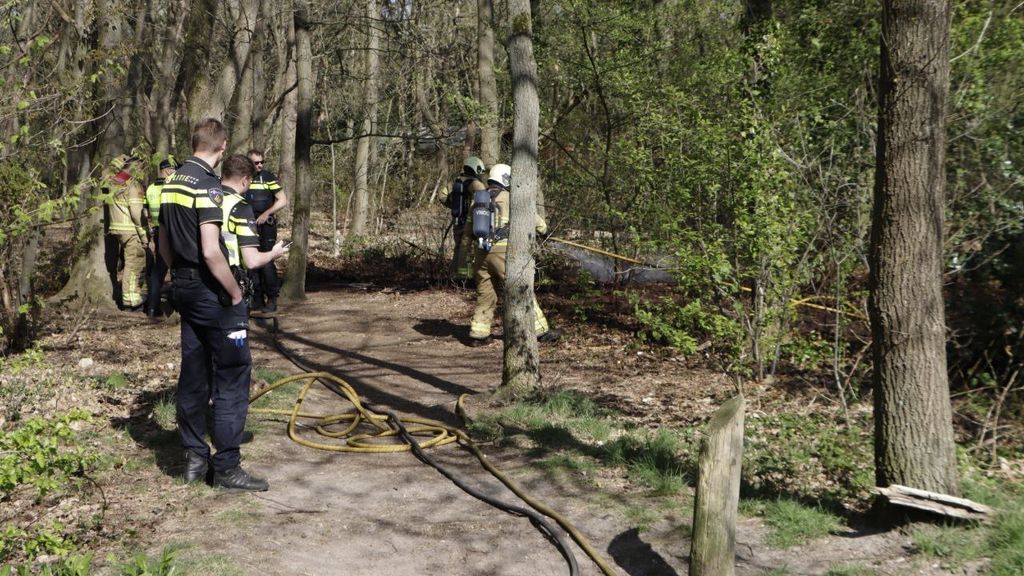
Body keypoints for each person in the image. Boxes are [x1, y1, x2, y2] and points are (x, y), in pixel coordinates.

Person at [158, 119, 284, 491]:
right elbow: (212, 252)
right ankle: (227, 467)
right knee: (232, 374)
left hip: (182, 288)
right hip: (213, 293)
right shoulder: (208, 187)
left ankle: (195, 459)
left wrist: (171, 282)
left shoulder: (170, 184)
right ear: (222, 147)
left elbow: (163, 246)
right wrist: (234, 293)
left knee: (194, 373)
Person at [466, 163, 561, 346]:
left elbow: (469, 232)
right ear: (506, 179)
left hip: (480, 254)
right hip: (503, 252)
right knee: (521, 288)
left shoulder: (478, 201)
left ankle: (478, 334)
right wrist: (545, 230)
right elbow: (535, 220)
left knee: (486, 294)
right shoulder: (511, 197)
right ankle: (541, 332)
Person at [243, 149, 287, 312]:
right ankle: (256, 298)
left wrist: (267, 213)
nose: (260, 165)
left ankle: (272, 298)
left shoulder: (268, 177)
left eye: (262, 162)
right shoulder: (244, 178)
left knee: (267, 262)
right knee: (251, 263)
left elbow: (282, 200)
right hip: (247, 226)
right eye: (256, 162)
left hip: (266, 226)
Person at [105, 154, 147, 310]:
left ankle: (130, 299)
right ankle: (131, 302)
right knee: (135, 264)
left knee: (130, 264)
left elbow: (104, 172)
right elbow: (137, 214)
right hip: (130, 231)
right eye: (141, 168)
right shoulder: (133, 186)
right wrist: (144, 234)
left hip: (116, 229)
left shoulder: (114, 182)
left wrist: (118, 159)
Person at [439, 156, 486, 278]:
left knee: (458, 247)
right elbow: (485, 199)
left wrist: (454, 206)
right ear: (476, 168)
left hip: (456, 221)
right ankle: (465, 278)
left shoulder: (455, 182)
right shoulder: (476, 184)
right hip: (469, 223)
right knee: (467, 249)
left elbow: (442, 196)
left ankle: (453, 275)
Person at [144, 158, 178, 318]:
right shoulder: (170, 186)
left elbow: (145, 210)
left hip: (158, 231)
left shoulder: (150, 188)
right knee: (176, 269)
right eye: (174, 169)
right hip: (171, 232)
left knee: (159, 270)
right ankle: (175, 306)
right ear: (168, 170)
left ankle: (152, 307)